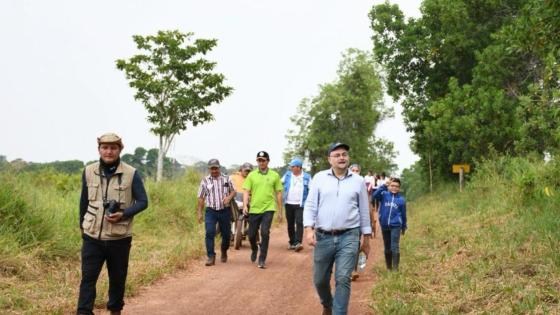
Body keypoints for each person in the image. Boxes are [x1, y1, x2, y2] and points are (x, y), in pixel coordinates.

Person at [77, 132, 148, 315]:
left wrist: (123, 214)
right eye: (105, 148)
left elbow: (142, 202)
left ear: (120, 150)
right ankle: (84, 312)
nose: (109, 152)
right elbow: (84, 202)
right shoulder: (88, 171)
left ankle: (115, 310)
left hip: (119, 238)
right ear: (99, 149)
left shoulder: (131, 173)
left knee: (117, 278)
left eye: (113, 148)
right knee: (88, 279)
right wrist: (83, 228)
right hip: (92, 236)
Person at [304, 143, 372, 315]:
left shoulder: (358, 181)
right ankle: (328, 304)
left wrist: (366, 238)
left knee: (343, 278)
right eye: (337, 155)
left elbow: (364, 209)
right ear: (329, 159)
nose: (342, 157)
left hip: (349, 235)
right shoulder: (319, 178)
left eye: (344, 154)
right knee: (320, 280)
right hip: (323, 236)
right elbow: (311, 205)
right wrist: (308, 229)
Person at [242, 151, 283, 269]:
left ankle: (262, 259)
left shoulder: (274, 175)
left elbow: (279, 193)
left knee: (265, 232)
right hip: (254, 209)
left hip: (269, 208)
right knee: (251, 234)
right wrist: (245, 205)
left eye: (263, 160)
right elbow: (246, 191)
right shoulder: (252, 175)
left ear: (268, 161)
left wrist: (280, 211)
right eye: (259, 160)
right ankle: (254, 249)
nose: (261, 162)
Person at [196, 159, 236, 266]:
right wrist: (199, 212)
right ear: (209, 169)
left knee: (226, 235)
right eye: (212, 168)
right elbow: (200, 197)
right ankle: (211, 256)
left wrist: (229, 197)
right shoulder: (205, 181)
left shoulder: (227, 179)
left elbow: (234, 191)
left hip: (225, 211)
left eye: (216, 168)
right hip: (211, 211)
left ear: (219, 168)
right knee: (209, 232)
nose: (214, 171)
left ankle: (224, 251)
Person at [372, 177, 407, 271]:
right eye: (392, 186)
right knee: (387, 247)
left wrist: (404, 226)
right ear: (389, 186)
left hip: (396, 225)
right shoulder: (384, 195)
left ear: (399, 188)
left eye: (397, 186)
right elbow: (374, 195)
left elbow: (403, 214)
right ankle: (389, 268)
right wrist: (384, 185)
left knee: (394, 246)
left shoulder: (401, 200)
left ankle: (395, 269)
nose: (394, 188)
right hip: (384, 225)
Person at [282, 157, 312, 252]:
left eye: (293, 166)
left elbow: (312, 190)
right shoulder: (287, 175)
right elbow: (279, 183)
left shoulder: (307, 177)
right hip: (288, 203)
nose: (291, 168)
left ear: (299, 167)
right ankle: (292, 242)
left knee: (299, 222)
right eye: (291, 166)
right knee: (290, 224)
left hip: (301, 204)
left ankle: (298, 242)